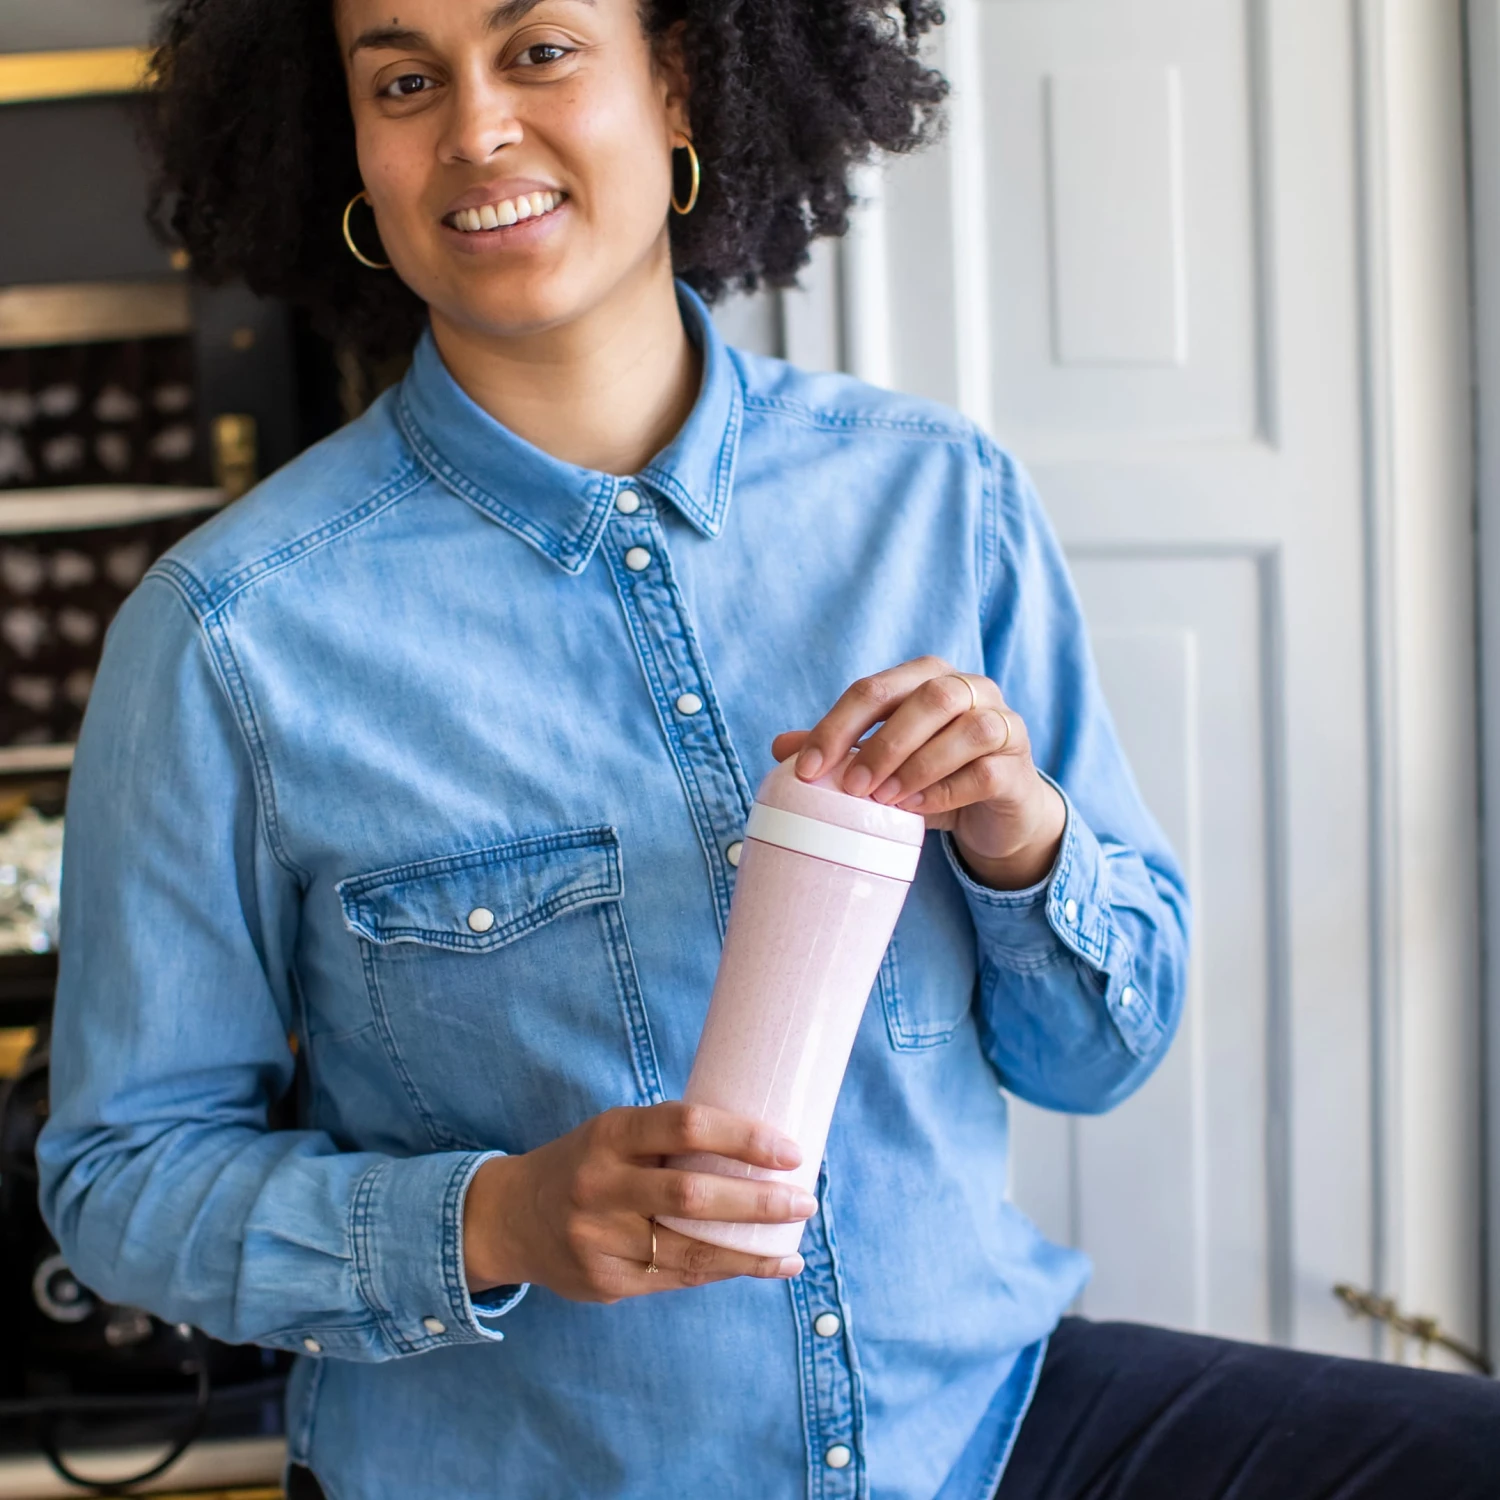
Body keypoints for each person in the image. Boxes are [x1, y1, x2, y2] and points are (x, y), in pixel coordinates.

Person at [34, 1, 1499, 1496]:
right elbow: (121, 1181)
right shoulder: (230, 633)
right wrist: (502, 1220)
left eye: (541, 50)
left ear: (677, 86)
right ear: (349, 147)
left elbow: (1099, 1056)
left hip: (978, 1427)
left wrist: (1021, 842)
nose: (475, 128)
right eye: (405, 81)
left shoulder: (940, 499)